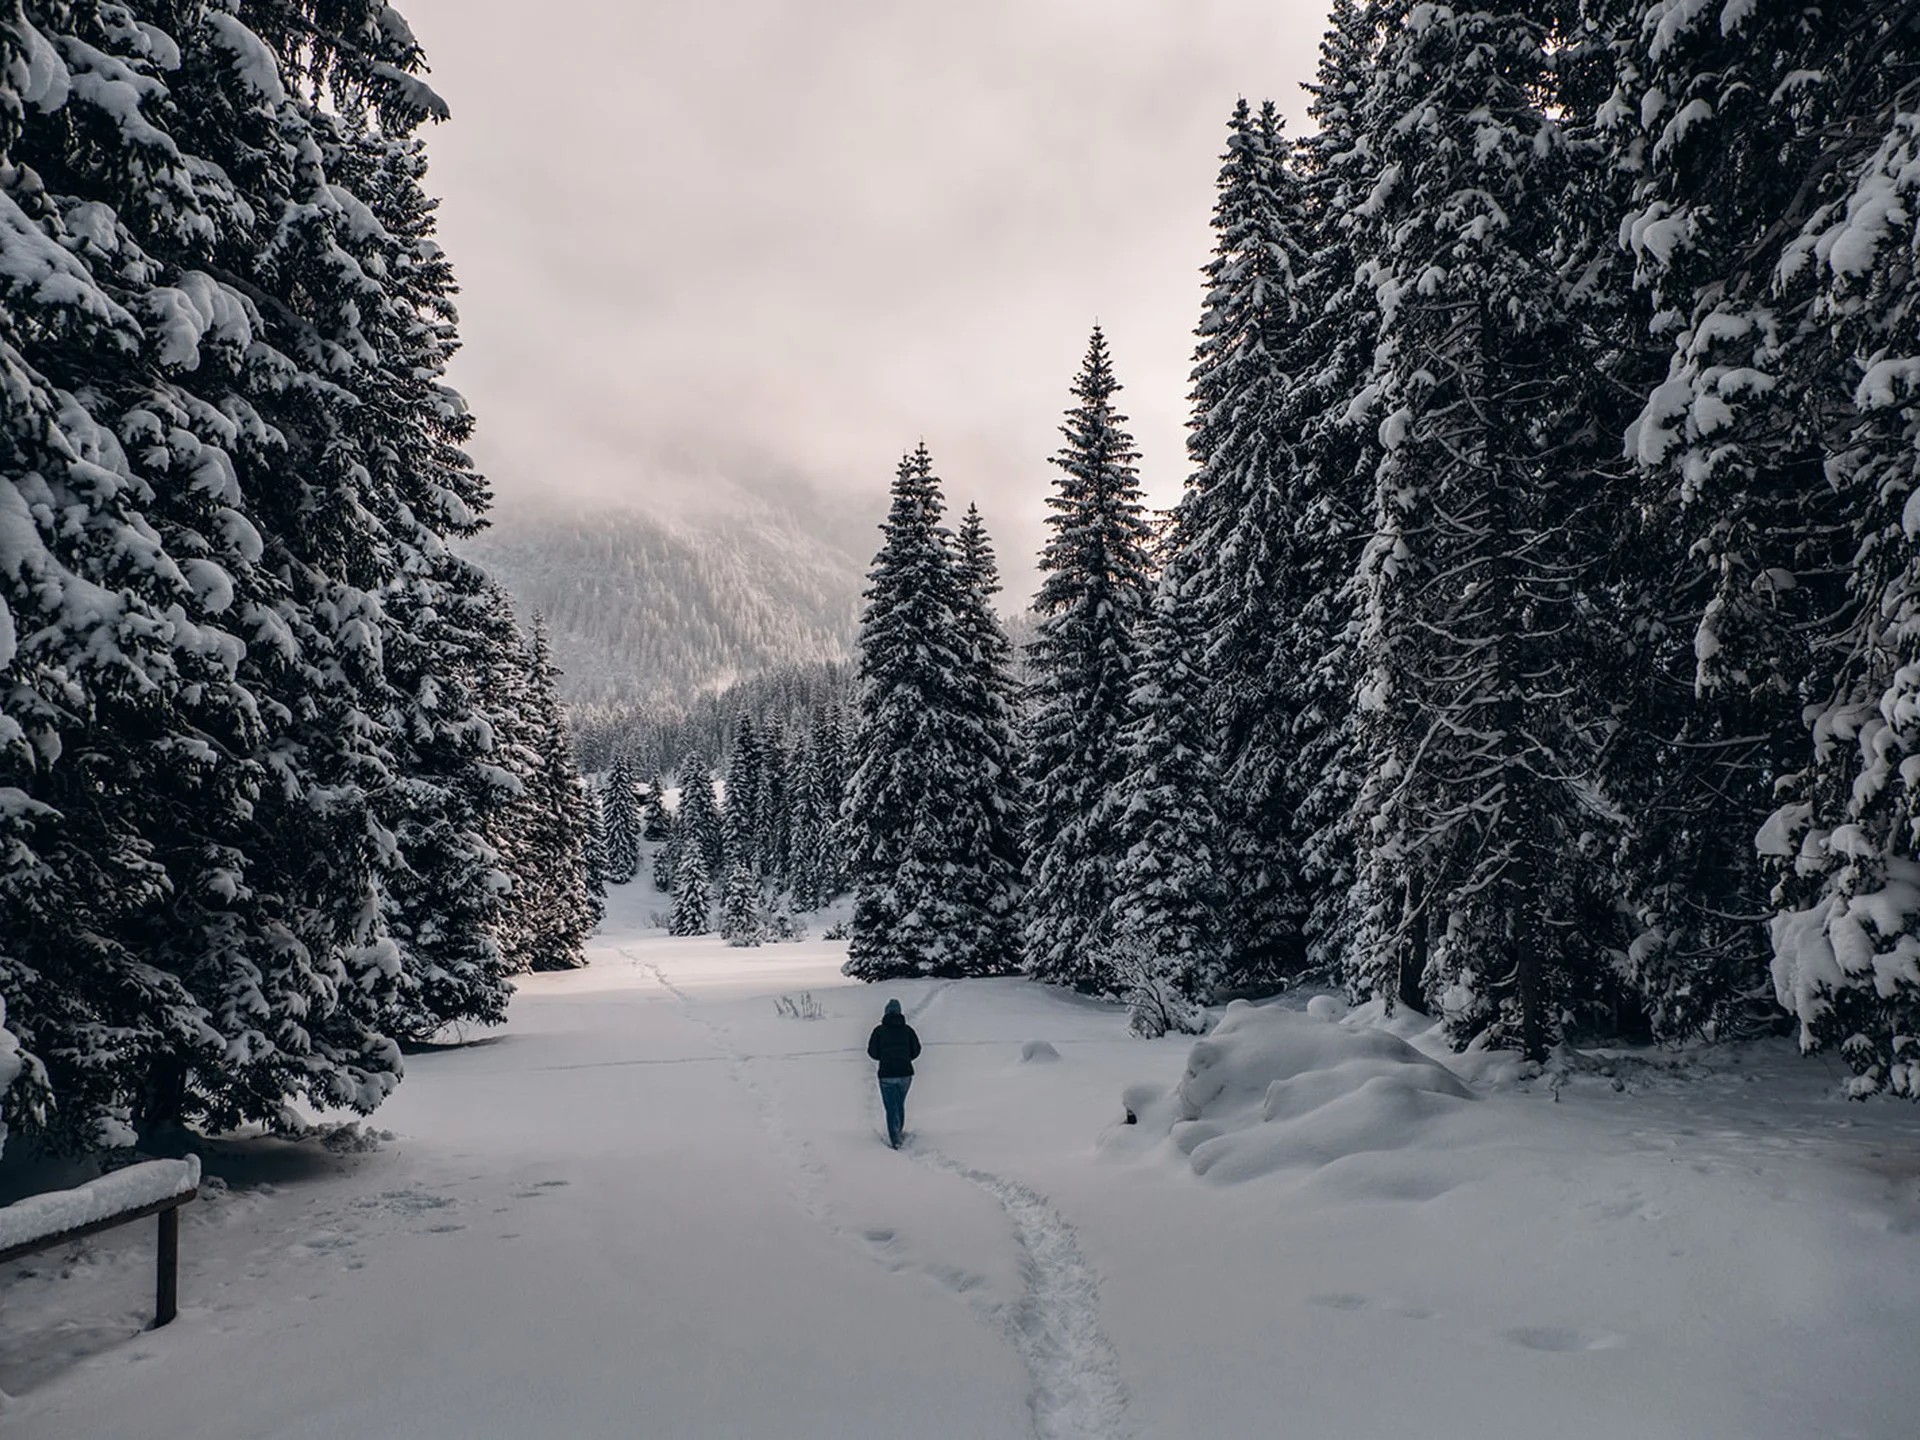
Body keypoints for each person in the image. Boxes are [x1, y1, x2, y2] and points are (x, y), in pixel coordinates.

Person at [866, 998, 921, 1149]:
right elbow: (916, 1050)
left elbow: (872, 1052)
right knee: (899, 1104)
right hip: (905, 1073)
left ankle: (895, 1139)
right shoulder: (908, 1030)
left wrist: (884, 1058)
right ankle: (899, 1131)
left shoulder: (879, 1031)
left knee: (890, 1107)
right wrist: (905, 1058)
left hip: (887, 1073)